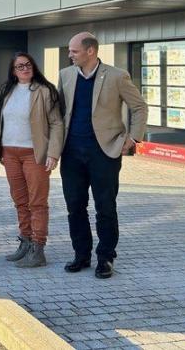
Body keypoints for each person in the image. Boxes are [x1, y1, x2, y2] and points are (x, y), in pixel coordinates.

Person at [59, 32, 147, 279]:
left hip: (105, 150)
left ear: (90, 51)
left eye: (74, 51)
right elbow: (60, 112)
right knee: (74, 206)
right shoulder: (65, 75)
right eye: (69, 50)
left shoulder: (117, 76)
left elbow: (139, 106)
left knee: (105, 207)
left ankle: (106, 257)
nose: (70, 55)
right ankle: (81, 254)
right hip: (72, 152)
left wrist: (132, 139)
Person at [0, 53, 64, 268]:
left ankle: (38, 248)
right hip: (10, 153)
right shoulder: (6, 91)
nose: (24, 69)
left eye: (27, 65)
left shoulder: (45, 91)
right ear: (13, 70)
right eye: (19, 66)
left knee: (37, 202)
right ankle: (25, 242)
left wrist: (53, 153)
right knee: (20, 201)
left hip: (34, 153)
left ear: (34, 67)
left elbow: (56, 124)